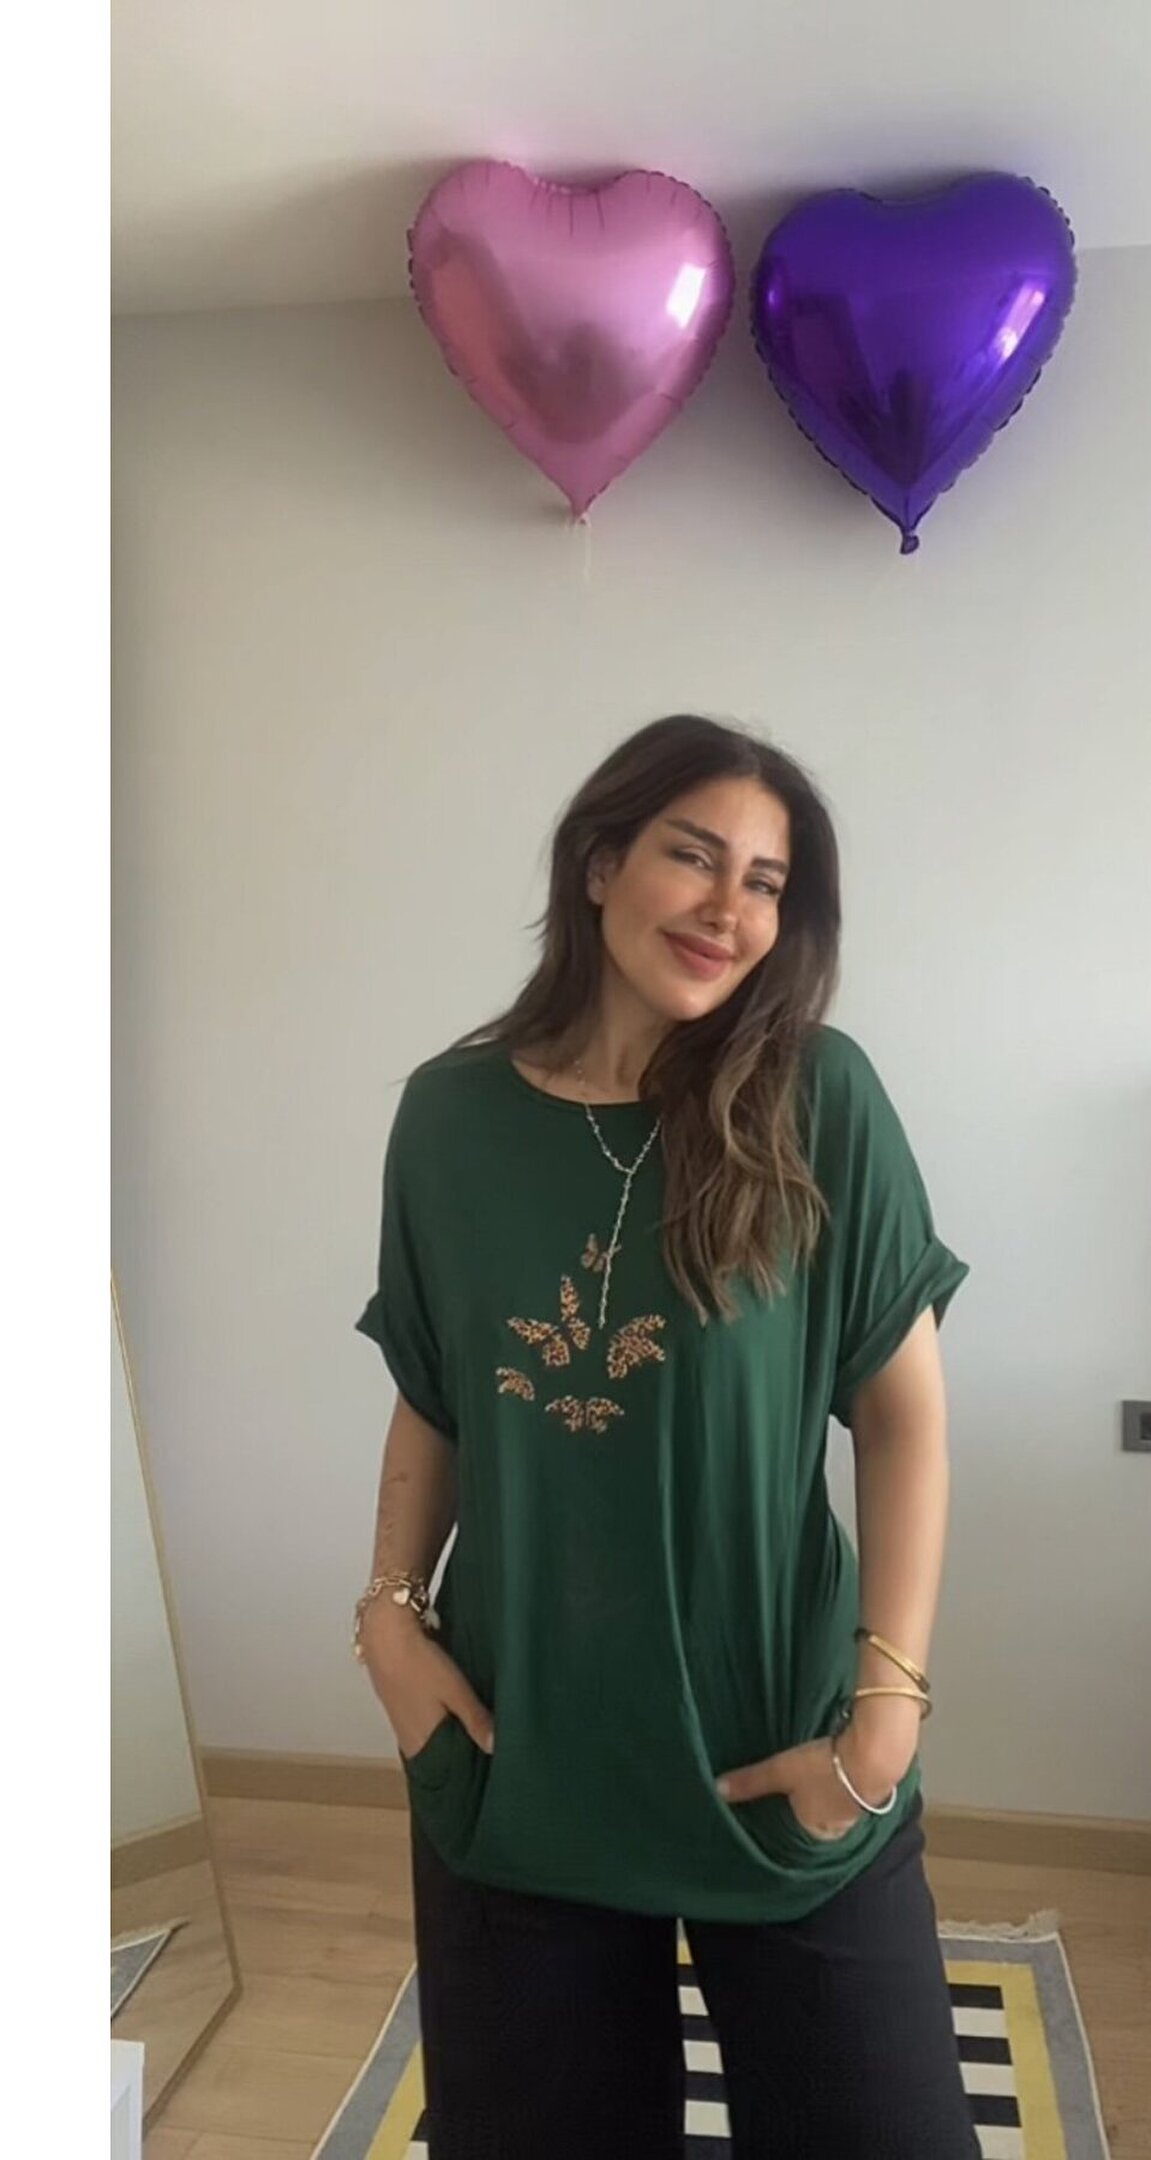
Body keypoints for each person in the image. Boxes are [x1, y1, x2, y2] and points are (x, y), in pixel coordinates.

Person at [352, 714, 981, 2158]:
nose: (727, 909)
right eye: (694, 857)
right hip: (519, 1752)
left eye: (766, 882)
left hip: (785, 1745)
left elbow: (903, 1420)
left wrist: (886, 1712)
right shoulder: (448, 1120)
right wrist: (388, 1618)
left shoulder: (820, 1100)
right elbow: (437, 1388)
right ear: (598, 863)